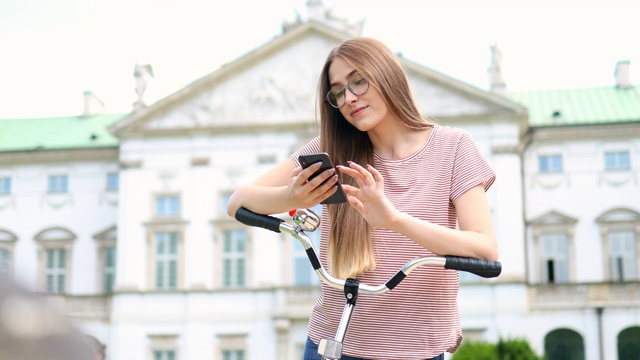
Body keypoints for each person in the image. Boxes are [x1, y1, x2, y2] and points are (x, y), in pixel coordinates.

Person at [227, 37, 498, 360]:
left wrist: (394, 221)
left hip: (417, 351)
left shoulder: (453, 147)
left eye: (358, 81)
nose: (349, 98)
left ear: (386, 75)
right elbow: (237, 202)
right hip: (333, 343)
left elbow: (485, 249)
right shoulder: (330, 147)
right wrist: (291, 196)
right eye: (338, 91)